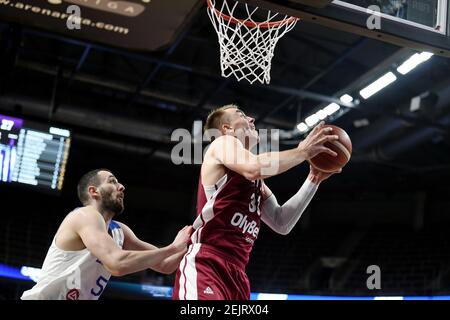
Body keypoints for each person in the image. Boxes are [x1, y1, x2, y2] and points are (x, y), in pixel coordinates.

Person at [173, 104, 341, 300]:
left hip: (237, 273)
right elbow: (253, 167)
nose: (252, 119)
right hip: (207, 263)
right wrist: (301, 151)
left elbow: (282, 222)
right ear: (227, 129)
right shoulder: (222, 144)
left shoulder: (256, 181)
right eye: (242, 115)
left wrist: (313, 180)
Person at [21, 169, 192, 300]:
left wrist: (194, 238)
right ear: (94, 191)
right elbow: (117, 263)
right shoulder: (84, 215)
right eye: (112, 182)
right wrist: (173, 247)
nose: (122, 187)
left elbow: (166, 265)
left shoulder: (120, 231)